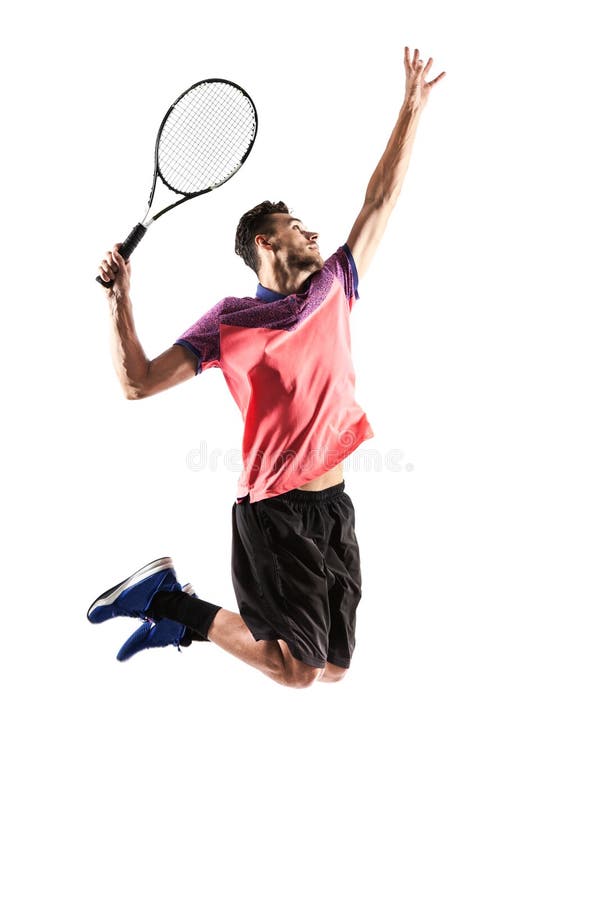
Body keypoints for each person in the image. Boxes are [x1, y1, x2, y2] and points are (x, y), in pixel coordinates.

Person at [88, 48, 446, 688]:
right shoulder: (228, 323)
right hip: (274, 511)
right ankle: (170, 602)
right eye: (298, 226)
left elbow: (381, 197)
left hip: (334, 506)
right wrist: (121, 302)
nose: (314, 235)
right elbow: (136, 382)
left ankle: (173, 611)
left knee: (334, 668)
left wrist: (412, 108)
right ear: (265, 242)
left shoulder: (335, 282)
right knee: (298, 672)